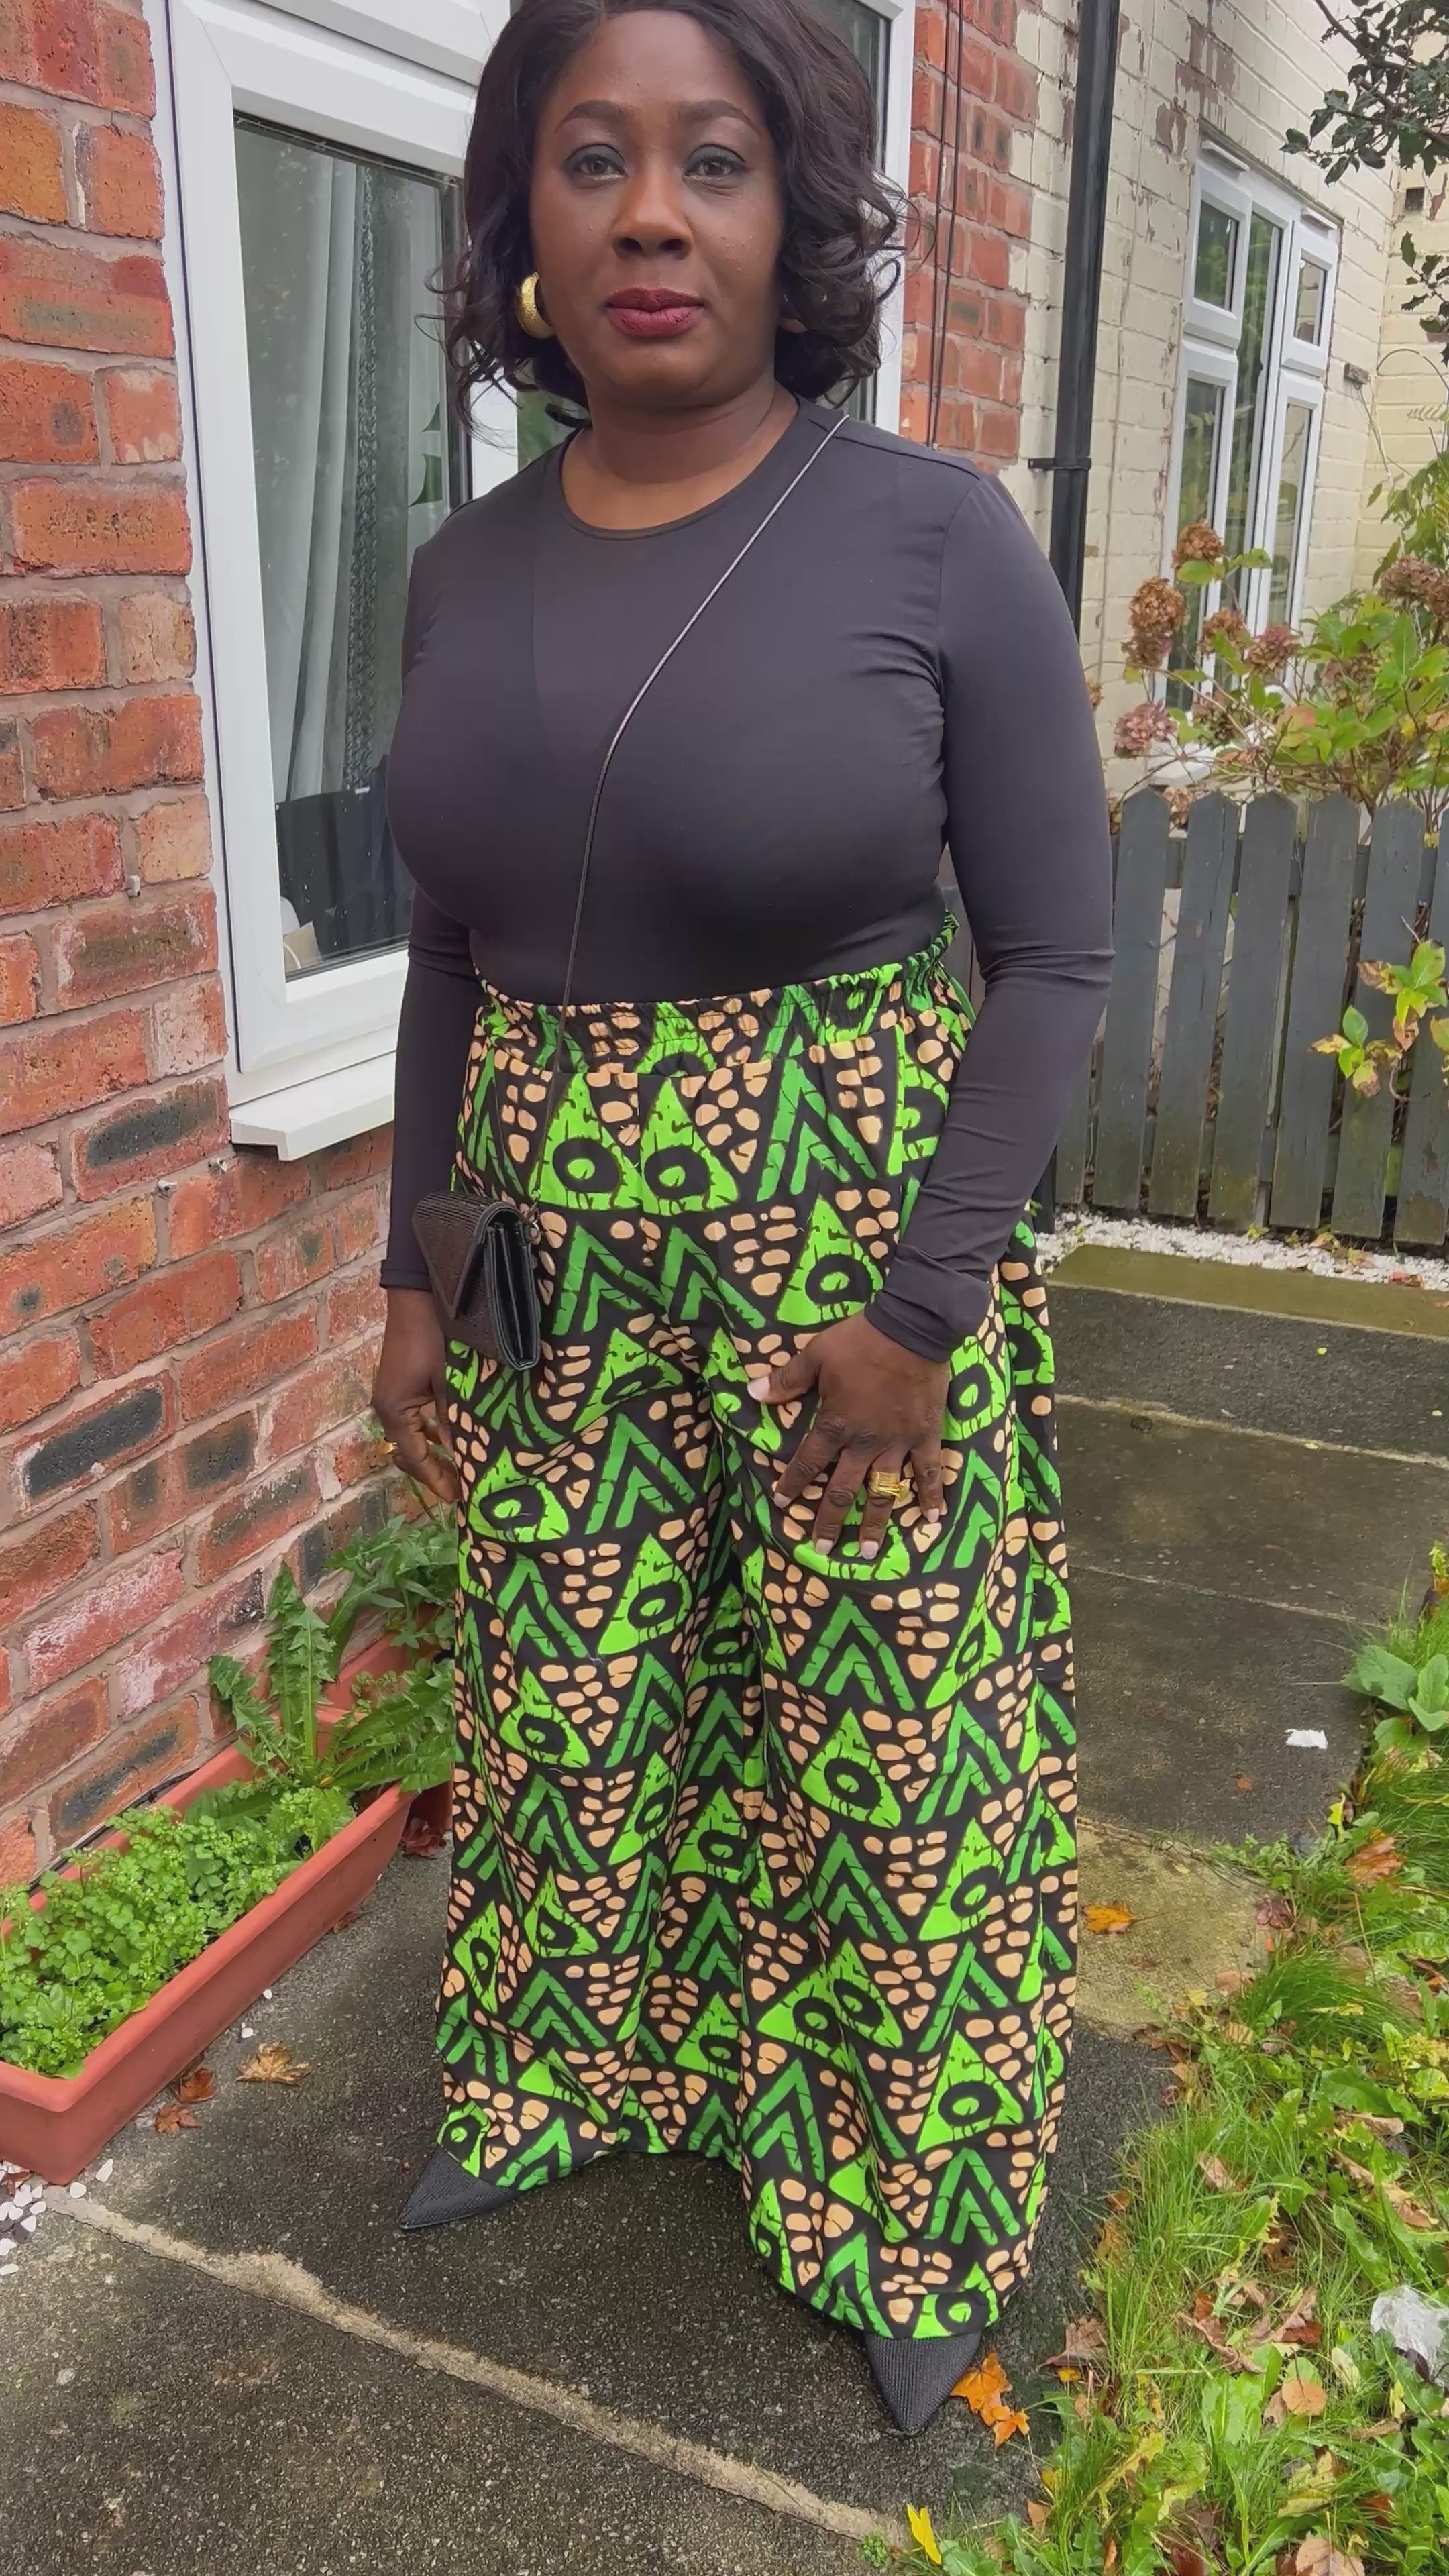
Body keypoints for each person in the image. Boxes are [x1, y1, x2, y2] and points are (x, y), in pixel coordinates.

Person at [374, 0, 1113, 2438]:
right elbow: (454, 953)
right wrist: (412, 1270)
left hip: (847, 1288)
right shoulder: (459, 572)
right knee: (574, 1705)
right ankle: (572, 2080)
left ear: (792, 212)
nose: (654, 216)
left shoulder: (930, 536)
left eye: (713, 161)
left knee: (884, 1740)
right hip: (547, 1275)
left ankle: (914, 2210)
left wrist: (931, 1308)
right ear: (526, 216)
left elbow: (1055, 958)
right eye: (594, 158)